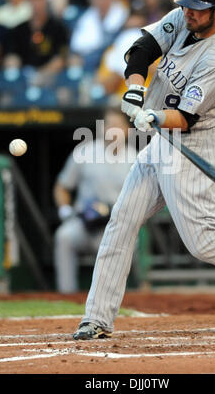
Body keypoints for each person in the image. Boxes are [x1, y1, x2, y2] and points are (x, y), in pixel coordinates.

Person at [73, 0, 215, 340]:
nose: (189, 13)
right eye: (188, 5)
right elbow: (141, 50)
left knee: (203, 242)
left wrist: (152, 115)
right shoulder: (183, 18)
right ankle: (97, 317)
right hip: (162, 142)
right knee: (122, 220)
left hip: (195, 143)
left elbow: (183, 117)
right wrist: (136, 90)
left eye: (199, 9)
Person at [53, 107, 136, 294]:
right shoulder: (85, 151)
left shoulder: (135, 158)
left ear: (127, 130)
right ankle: (67, 295)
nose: (112, 130)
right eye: (109, 125)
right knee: (64, 236)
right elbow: (62, 186)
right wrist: (65, 210)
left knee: (118, 245)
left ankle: (110, 297)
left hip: (115, 225)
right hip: (84, 221)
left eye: (117, 126)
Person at [6, 0, 68, 88]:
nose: (36, 2)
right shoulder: (19, 29)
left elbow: (60, 59)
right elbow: (12, 55)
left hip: (50, 78)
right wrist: (15, 71)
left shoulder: (58, 28)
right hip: (24, 77)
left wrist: (41, 75)